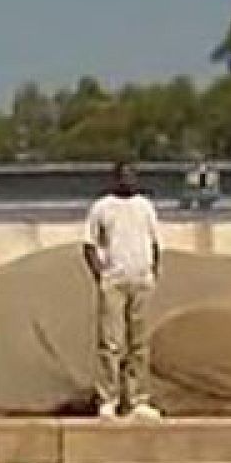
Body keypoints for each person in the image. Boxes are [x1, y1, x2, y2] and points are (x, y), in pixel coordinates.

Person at [83, 160, 163, 421]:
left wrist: (152, 273)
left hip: (141, 279)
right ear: (115, 179)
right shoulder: (102, 208)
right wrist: (101, 276)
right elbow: (90, 245)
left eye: (133, 176)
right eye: (124, 176)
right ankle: (109, 398)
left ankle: (138, 398)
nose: (129, 180)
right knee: (111, 341)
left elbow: (155, 243)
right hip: (114, 281)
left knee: (139, 342)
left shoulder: (145, 206)